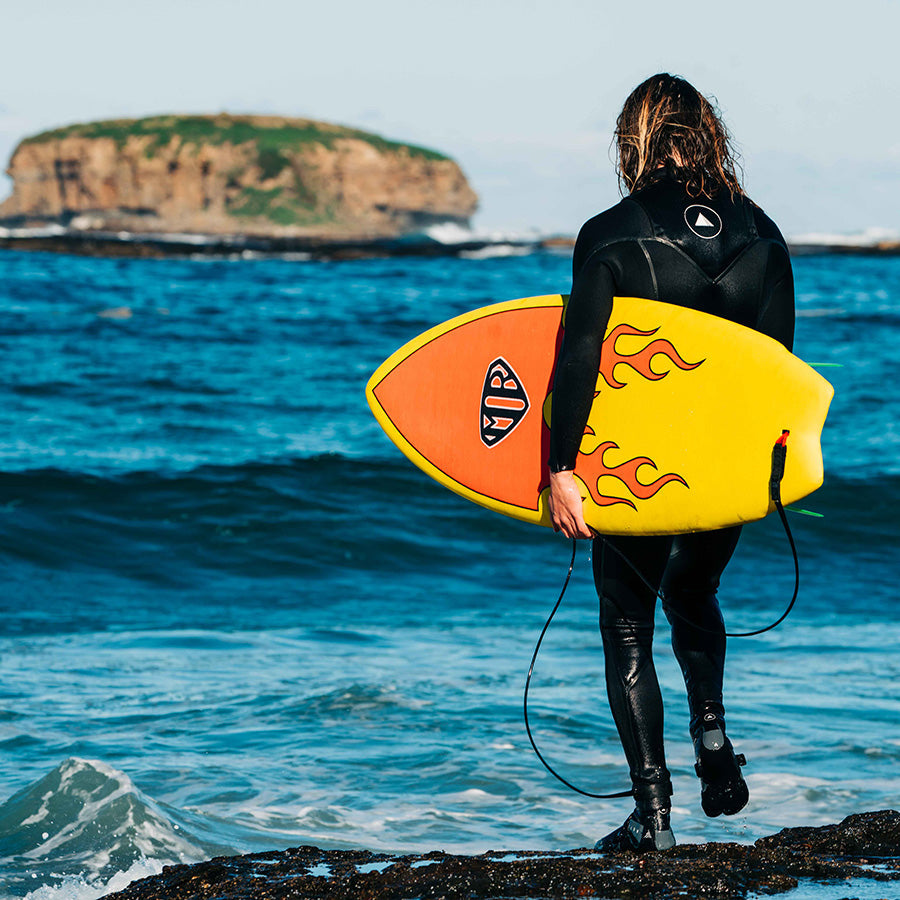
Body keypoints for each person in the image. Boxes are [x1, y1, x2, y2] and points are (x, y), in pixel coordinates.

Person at [546, 73, 795, 852]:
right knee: (696, 589)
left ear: (636, 138)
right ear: (709, 133)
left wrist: (561, 468)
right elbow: (780, 369)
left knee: (628, 621)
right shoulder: (765, 234)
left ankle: (653, 818)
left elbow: (580, 358)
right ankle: (713, 739)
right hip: (728, 458)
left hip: (636, 462)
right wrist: (769, 466)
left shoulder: (611, 233)